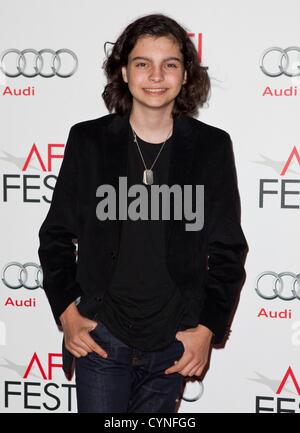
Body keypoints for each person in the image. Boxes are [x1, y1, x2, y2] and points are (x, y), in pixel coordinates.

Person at [38, 13, 248, 413]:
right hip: (102, 339)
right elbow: (55, 238)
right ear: (124, 71)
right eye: (142, 63)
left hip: (172, 344)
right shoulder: (89, 141)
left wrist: (206, 330)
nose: (156, 76)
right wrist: (67, 314)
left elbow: (228, 251)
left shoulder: (211, 148)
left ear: (185, 74)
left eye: (169, 64)